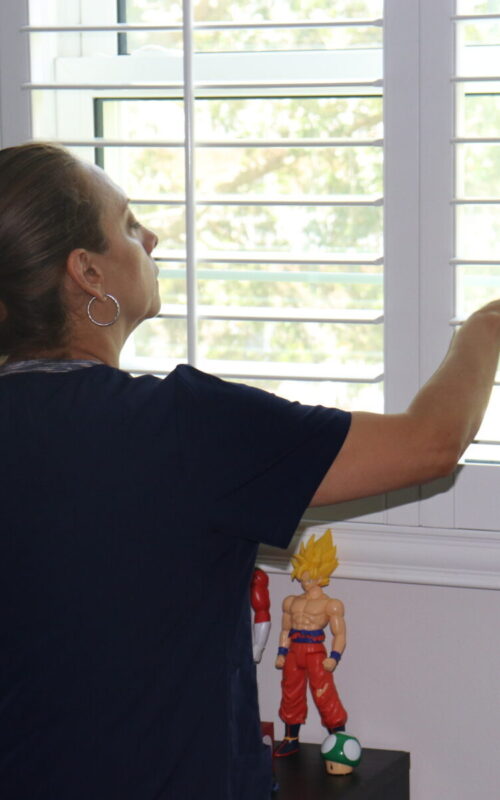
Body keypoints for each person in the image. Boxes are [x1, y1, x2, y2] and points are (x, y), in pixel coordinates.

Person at [0, 142, 499, 800]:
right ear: (87, 272)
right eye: (125, 224)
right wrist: (485, 329)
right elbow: (430, 443)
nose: (150, 236)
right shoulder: (182, 426)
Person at [274, 530, 347, 758]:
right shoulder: (291, 601)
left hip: (316, 652)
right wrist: (282, 652)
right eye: (302, 577)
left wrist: (334, 657)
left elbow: (340, 634)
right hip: (294, 650)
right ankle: (291, 738)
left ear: (320, 575)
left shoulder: (331, 604)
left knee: (324, 693)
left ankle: (338, 739)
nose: (305, 582)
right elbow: (285, 629)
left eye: (309, 577)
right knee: (291, 692)